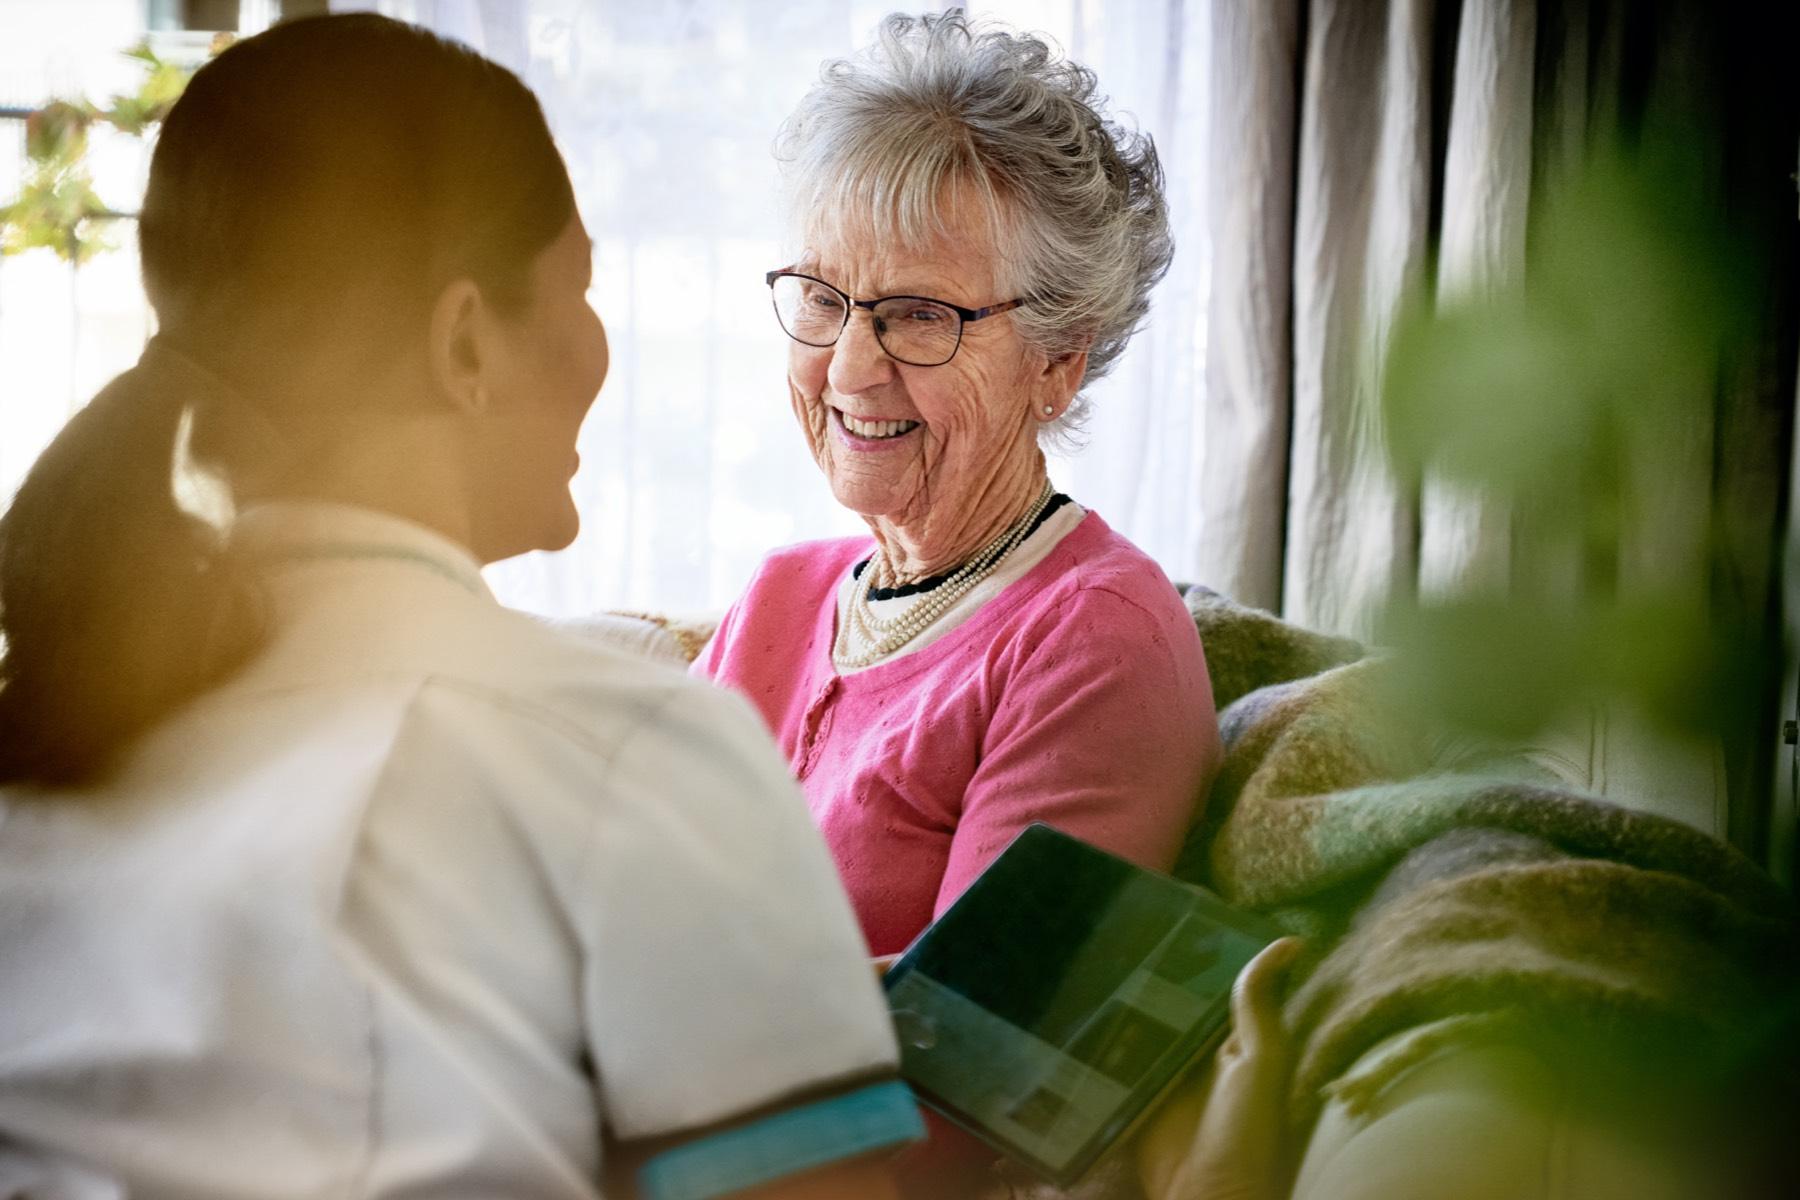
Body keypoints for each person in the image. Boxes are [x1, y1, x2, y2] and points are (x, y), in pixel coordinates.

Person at [0, 15, 923, 1198]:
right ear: (467, 341)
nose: (597, 344)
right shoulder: (624, 757)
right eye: (577, 287)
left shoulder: (52, 736)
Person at [696, 9, 1220, 960]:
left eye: (919, 315)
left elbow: (964, 1065)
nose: (850, 369)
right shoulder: (780, 599)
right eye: (822, 298)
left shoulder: (1093, 639)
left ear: (1058, 360)